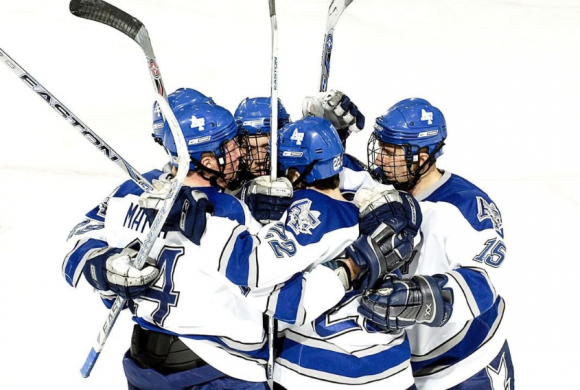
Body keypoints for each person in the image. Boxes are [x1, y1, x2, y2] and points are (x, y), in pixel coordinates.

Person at [62, 92, 418, 389]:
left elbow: (80, 238)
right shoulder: (229, 210)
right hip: (223, 368)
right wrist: (350, 268)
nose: (241, 154)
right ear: (205, 158)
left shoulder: (133, 192)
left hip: (144, 360)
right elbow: (270, 281)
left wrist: (101, 265)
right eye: (230, 147)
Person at [361, 98, 514, 389]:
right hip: (409, 370)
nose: (379, 159)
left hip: (469, 365)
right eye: (380, 148)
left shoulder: (464, 205)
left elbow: (485, 282)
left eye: (390, 152)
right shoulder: (385, 194)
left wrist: (424, 298)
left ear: (420, 157)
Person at [271, 118, 421, 390]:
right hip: (391, 372)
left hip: (312, 374)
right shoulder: (386, 214)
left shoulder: (301, 217)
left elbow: (272, 298)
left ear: (294, 171)